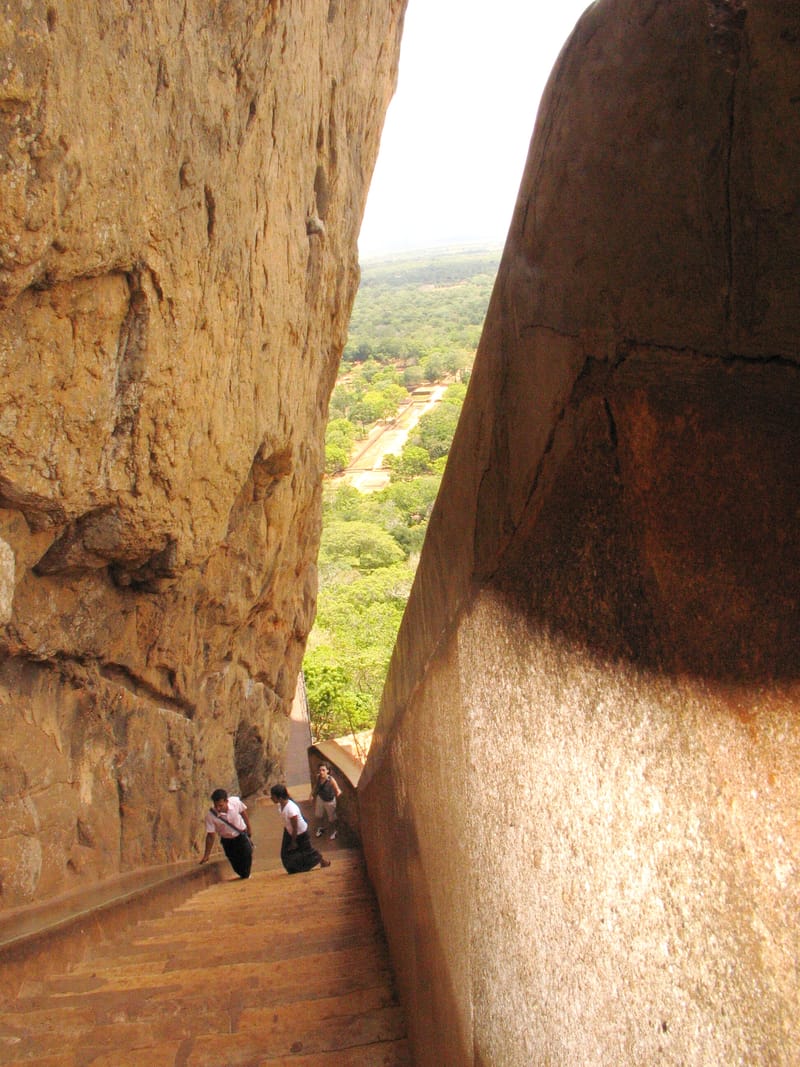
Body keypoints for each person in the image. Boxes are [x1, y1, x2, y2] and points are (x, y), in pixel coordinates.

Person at [269, 783, 331, 873]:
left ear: (280, 798)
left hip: (300, 833)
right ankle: (295, 867)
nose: (271, 798)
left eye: (273, 796)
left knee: (308, 851)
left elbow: (295, 827)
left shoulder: (291, 809)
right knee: (287, 853)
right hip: (290, 831)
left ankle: (322, 861)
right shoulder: (281, 805)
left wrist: (293, 841)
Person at [199, 788, 254, 879]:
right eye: (216, 806)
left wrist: (249, 828)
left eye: (220, 805)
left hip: (241, 835)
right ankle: (243, 874)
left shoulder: (235, 802)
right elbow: (210, 836)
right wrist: (206, 855)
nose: (218, 808)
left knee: (247, 854)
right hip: (227, 841)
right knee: (234, 861)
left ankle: (246, 874)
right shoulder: (211, 816)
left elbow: (243, 813)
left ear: (226, 801)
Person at [311, 763, 342, 839]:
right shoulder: (318, 777)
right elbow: (316, 786)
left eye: (323, 770)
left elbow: (337, 789)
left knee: (332, 818)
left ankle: (334, 831)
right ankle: (321, 828)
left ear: (327, 771)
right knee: (319, 815)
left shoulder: (331, 780)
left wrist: (338, 793)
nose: (321, 772)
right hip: (320, 798)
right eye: (320, 770)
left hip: (329, 800)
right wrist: (311, 794)